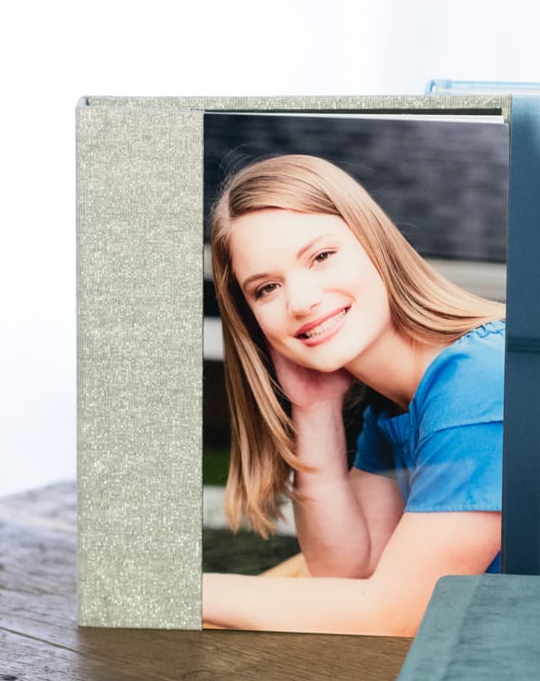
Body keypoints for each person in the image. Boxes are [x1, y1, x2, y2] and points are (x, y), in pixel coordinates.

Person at [201, 154, 503, 635]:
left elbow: (395, 615)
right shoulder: (394, 403)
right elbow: (349, 570)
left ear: (374, 243)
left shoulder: (477, 378)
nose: (301, 302)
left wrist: (186, 591)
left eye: (321, 257)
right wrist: (314, 408)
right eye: (267, 288)